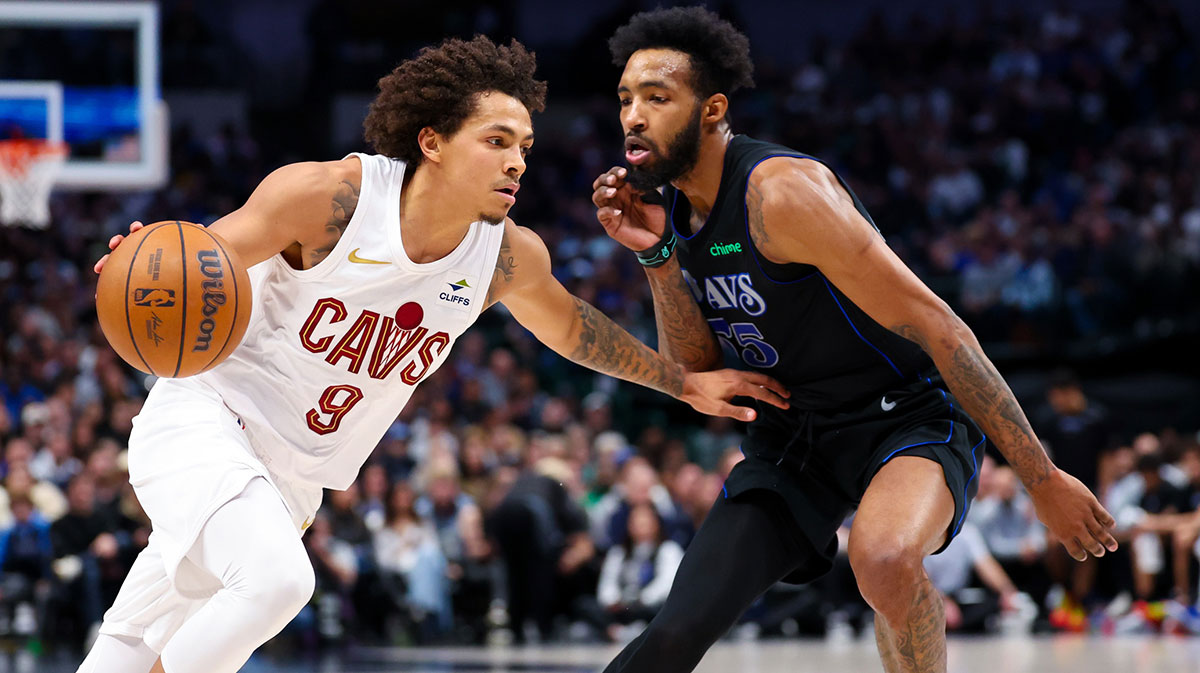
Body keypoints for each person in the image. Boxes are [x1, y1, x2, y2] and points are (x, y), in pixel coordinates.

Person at [79, 35, 788, 673]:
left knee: (131, 640)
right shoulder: (329, 198)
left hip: (291, 481)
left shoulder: (505, 257)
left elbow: (574, 329)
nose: (516, 160)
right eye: (497, 139)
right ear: (433, 141)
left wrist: (681, 381)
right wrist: (138, 264)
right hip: (206, 421)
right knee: (277, 583)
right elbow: (197, 261)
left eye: (525, 147)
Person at [590, 8, 1117, 673]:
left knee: (885, 559)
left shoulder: (782, 194)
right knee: (672, 634)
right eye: (626, 99)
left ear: (712, 109)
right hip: (792, 443)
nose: (633, 116)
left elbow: (938, 324)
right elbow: (696, 370)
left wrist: (1040, 477)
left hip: (902, 417)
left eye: (657, 98)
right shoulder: (674, 213)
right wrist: (659, 254)